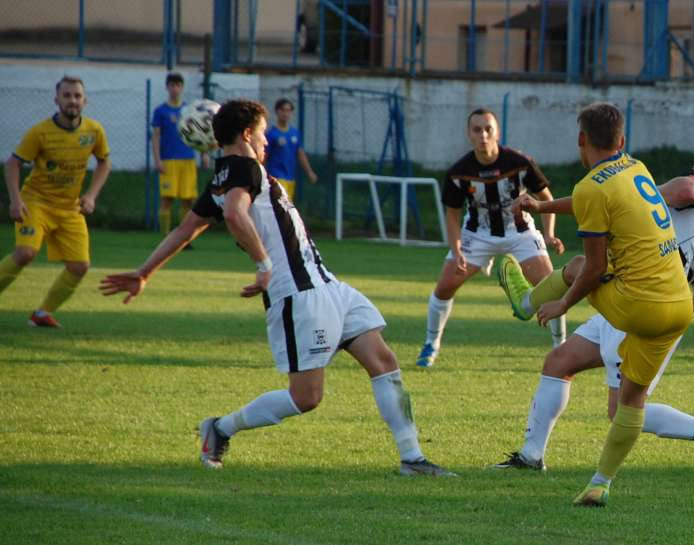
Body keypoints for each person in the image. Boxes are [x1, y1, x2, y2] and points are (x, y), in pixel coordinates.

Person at [99, 99, 452, 477]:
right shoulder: (243, 167)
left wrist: (144, 271)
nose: (267, 142)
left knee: (383, 361)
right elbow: (234, 213)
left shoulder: (227, 173)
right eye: (264, 134)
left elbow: (185, 230)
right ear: (248, 134)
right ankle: (220, 428)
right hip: (299, 294)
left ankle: (412, 458)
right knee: (306, 397)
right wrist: (263, 264)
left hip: (326, 284)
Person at [494, 149, 694, 478]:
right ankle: (531, 456)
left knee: (620, 410)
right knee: (560, 362)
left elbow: (685, 191)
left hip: (639, 302)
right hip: (651, 303)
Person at [498, 102, 693, 507]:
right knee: (631, 400)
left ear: (581, 139)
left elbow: (596, 267)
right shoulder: (636, 168)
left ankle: (524, 301)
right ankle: (600, 482)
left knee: (579, 265)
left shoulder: (592, 186)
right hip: (679, 308)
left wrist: (563, 305)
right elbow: (592, 203)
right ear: (622, 141)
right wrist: (542, 206)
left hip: (638, 306)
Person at [415, 108, 566, 368]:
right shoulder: (458, 172)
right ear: (469, 134)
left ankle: (561, 347)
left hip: (519, 231)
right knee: (444, 286)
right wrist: (457, 248)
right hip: (477, 234)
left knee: (549, 286)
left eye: (488, 129)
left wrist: (550, 235)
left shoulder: (519, 162)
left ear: (497, 132)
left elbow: (546, 199)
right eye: (477, 130)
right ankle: (431, 345)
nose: (483, 135)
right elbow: (452, 215)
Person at [0, 75, 111, 328]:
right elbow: (13, 163)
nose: (72, 100)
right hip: (36, 202)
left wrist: (91, 195)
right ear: (56, 99)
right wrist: (15, 200)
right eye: (67, 95)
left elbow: (104, 162)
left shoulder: (94, 131)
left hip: (69, 208)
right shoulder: (40, 132)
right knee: (25, 253)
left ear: (85, 101)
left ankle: (42, 314)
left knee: (80, 266)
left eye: (77, 96)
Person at [151, 72, 209, 238]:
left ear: (182, 88)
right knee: (167, 199)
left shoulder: (188, 111)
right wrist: (157, 160)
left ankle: (184, 236)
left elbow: (199, 134)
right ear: (167, 87)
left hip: (188, 159)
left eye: (178, 85)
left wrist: (204, 154)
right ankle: (165, 235)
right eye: (172, 85)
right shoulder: (160, 111)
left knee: (188, 200)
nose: (175, 88)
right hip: (169, 161)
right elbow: (156, 136)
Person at [264, 98, 317, 202]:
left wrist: (310, 172)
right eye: (282, 110)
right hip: (276, 176)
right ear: (277, 112)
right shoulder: (271, 134)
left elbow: (300, 153)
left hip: (290, 177)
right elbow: (265, 155)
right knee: (282, 204)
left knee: (287, 206)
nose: (285, 113)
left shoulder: (295, 133)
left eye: (288, 110)